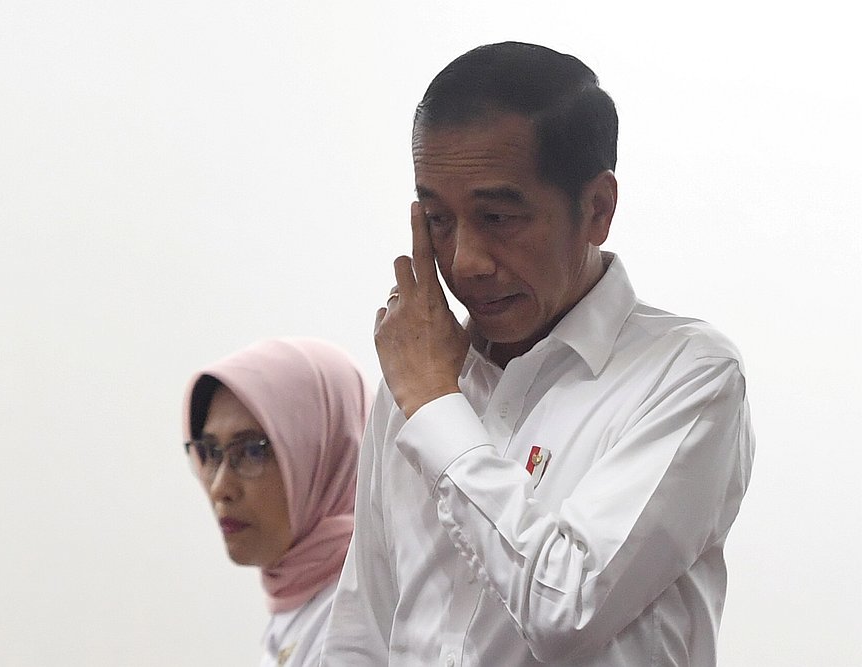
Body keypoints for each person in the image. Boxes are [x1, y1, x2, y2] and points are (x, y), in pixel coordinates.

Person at [322, 42, 754, 666]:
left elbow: (566, 611)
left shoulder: (689, 374)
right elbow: (363, 629)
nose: (465, 261)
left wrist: (437, 409)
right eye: (439, 221)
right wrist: (430, 396)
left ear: (598, 208)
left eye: (498, 217)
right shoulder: (421, 377)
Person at [183, 338, 371, 667]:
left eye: (252, 450)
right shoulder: (302, 601)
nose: (219, 487)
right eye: (211, 452)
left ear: (327, 457)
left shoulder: (359, 624)